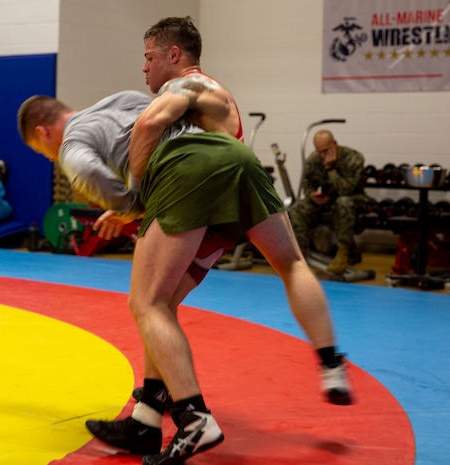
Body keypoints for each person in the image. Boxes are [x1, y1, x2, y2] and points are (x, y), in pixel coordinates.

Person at [83, 17, 353, 465]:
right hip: (233, 183)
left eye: (149, 58)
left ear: (175, 55)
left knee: (147, 303)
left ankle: (193, 417)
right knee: (287, 264)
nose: (144, 70)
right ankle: (329, 363)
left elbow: (149, 124)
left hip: (203, 181)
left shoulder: (189, 86)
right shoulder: (212, 101)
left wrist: (133, 195)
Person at [289, 129, 368, 274]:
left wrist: (330, 168)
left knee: (343, 202)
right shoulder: (314, 159)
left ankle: (343, 253)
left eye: (326, 151)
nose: (322, 155)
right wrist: (313, 194)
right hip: (326, 199)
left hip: (354, 200)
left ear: (335, 144)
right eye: (319, 152)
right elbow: (308, 184)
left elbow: (347, 190)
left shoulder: (354, 158)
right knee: (298, 208)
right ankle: (298, 256)